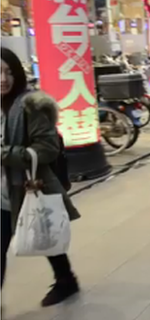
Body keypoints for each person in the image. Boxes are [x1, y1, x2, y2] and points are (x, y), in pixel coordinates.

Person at [1, 47, 81, 307]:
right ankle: (66, 279)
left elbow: (47, 149)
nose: (3, 79)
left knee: (43, 235)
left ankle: (66, 280)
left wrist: (6, 154)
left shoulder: (30, 106)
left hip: (24, 185)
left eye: (8, 72)